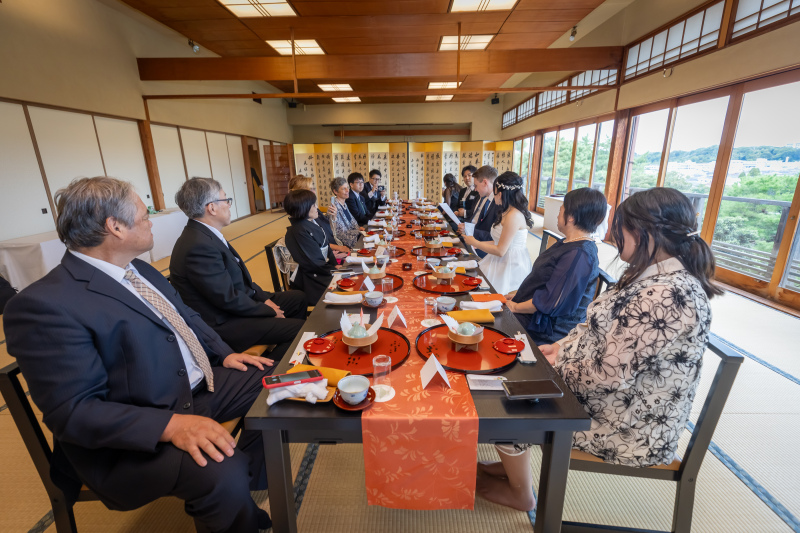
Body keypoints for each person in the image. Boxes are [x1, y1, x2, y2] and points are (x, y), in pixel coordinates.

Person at [4, 177, 275, 532]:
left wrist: (223, 355)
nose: (151, 222)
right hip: (134, 435)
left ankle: (243, 495)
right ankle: (234, 495)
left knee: (276, 385)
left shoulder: (138, 269)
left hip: (192, 390)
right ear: (115, 227)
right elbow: (75, 411)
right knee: (221, 468)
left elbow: (186, 317)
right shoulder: (45, 304)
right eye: (144, 215)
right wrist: (173, 425)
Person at [477, 187, 721, 512]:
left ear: (645, 232)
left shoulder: (666, 296)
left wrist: (552, 368)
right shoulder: (651, 277)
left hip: (627, 426)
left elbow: (606, 376)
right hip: (606, 397)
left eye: (621, 228)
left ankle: (520, 493)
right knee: (514, 375)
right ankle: (511, 466)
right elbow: (591, 325)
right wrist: (558, 348)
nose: (613, 236)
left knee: (512, 396)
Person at [169, 178, 307, 360]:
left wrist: (264, 300)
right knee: (300, 331)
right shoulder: (197, 246)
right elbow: (227, 299)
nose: (229, 205)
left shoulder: (205, 235)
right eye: (226, 200)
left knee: (298, 299)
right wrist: (268, 310)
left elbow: (243, 281)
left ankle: (287, 352)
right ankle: (273, 369)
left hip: (237, 303)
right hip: (225, 321)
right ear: (212, 208)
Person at [506, 188, 607, 345]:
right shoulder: (569, 243)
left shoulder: (578, 254)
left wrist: (516, 307)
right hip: (535, 315)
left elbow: (551, 302)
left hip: (546, 330)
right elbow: (545, 282)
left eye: (561, 210)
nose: (558, 215)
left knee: (491, 327)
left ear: (571, 216)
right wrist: (520, 295)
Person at [463, 171, 533, 294]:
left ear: (500, 194)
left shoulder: (514, 215)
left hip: (510, 263)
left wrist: (475, 242)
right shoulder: (507, 211)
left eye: (494, 193)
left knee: (485, 289)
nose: (493, 196)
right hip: (502, 258)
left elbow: (501, 250)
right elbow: (498, 241)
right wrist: (478, 243)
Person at [283, 189, 339, 303]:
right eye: (313, 205)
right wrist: (334, 271)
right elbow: (314, 263)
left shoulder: (309, 224)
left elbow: (326, 247)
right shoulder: (298, 231)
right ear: (303, 208)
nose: (317, 207)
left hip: (323, 270)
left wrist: (335, 265)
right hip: (313, 280)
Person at [289, 175, 349, 259]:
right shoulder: (303, 220)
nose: (314, 192)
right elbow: (317, 243)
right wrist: (338, 249)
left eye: (313, 188)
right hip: (328, 252)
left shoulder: (314, 209)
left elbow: (329, 229)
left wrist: (333, 217)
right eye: (310, 189)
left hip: (333, 244)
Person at [456, 165, 498, 258]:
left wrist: (469, 230)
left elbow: (494, 236)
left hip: (486, 246)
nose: (475, 189)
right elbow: (474, 219)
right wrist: (466, 227)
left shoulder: (498, 202)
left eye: (476, 186)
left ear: (485, 182)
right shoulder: (483, 197)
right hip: (474, 238)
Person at [329, 176, 362, 249]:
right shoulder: (334, 207)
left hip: (353, 234)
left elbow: (352, 222)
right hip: (344, 241)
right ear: (335, 191)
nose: (347, 190)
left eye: (347, 188)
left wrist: (359, 229)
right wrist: (358, 232)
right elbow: (340, 232)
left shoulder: (344, 204)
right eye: (344, 189)